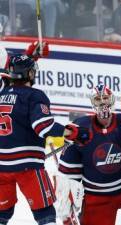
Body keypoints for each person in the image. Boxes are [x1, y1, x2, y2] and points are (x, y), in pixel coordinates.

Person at [0, 54, 90, 225]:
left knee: (2, 213)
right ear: (30, 73)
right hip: (27, 166)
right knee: (45, 213)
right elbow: (43, 127)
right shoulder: (34, 95)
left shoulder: (2, 93)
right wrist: (72, 133)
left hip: (1, 167)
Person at [56, 84, 121, 225]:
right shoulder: (80, 128)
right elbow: (68, 171)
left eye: (106, 98)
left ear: (112, 100)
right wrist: (67, 201)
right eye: (97, 99)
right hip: (98, 198)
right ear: (92, 103)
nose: (102, 103)